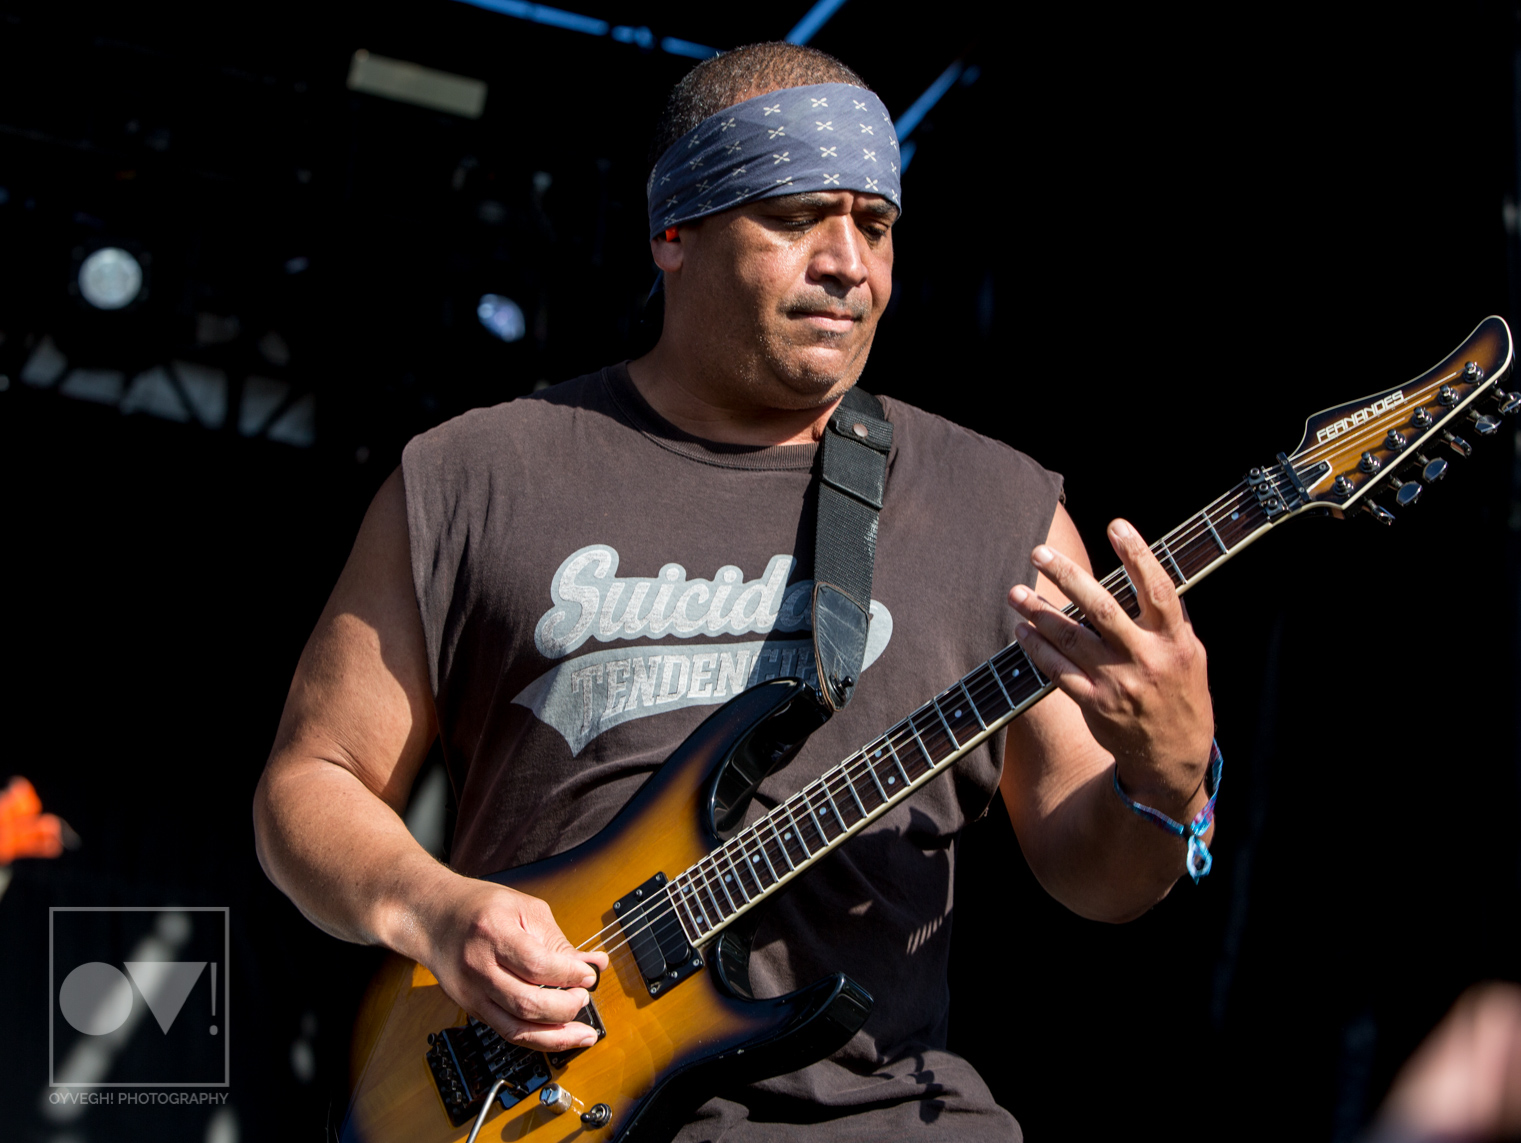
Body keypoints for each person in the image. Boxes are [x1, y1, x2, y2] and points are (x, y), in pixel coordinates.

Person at [253, 41, 1216, 1141]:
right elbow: (310, 784)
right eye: (797, 218)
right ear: (674, 231)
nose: (848, 264)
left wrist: (1167, 774)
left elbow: (1098, 879)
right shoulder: (476, 474)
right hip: (533, 1107)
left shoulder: (1000, 507)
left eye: (876, 225)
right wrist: (435, 910)